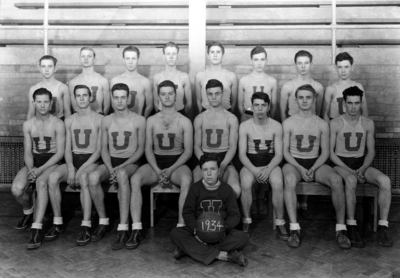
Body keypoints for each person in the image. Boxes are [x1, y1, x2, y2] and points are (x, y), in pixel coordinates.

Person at [282, 84, 350, 249]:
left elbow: (326, 152)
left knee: (336, 179)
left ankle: (341, 229)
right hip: (294, 162)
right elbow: (285, 152)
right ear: (296, 100)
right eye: (301, 97)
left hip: (316, 162)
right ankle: (294, 229)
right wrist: (300, 168)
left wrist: (312, 168)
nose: (305, 101)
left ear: (314, 100)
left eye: (308, 97)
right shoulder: (288, 122)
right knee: (290, 179)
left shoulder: (321, 124)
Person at [129, 80, 193, 249]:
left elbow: (188, 151)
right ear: (159, 96)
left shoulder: (184, 120)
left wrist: (170, 170)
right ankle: (136, 228)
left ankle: (182, 228)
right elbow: (148, 149)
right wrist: (158, 170)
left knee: (187, 180)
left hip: (176, 163)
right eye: (163, 94)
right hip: (155, 162)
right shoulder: (151, 120)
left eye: (170, 93)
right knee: (135, 179)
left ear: (175, 95)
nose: (167, 97)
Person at [330, 86, 392, 247]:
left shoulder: (368, 123)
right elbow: (331, 153)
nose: (353, 107)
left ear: (361, 103)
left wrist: (363, 169)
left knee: (385, 181)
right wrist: (351, 170)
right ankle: (351, 226)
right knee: (351, 180)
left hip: (360, 162)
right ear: (344, 103)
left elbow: (371, 151)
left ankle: (383, 228)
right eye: (349, 103)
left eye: (356, 103)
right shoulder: (335, 123)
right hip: (341, 163)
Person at [87, 83, 146, 249]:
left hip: (131, 162)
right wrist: (110, 167)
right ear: (112, 99)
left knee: (122, 175)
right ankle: (104, 221)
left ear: (128, 99)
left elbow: (141, 150)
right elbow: (103, 148)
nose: (119, 101)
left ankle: (123, 228)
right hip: (111, 162)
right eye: (116, 98)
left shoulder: (139, 120)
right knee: (93, 177)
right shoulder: (106, 120)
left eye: (123, 97)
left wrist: (122, 167)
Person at [46, 85, 103, 246]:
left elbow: (98, 151)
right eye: (78, 96)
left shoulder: (99, 119)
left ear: (90, 97)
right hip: (73, 159)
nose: (82, 98)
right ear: (74, 98)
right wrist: (71, 168)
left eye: (85, 95)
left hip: (92, 160)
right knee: (53, 177)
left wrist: (81, 169)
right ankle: (57, 223)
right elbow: (67, 148)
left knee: (84, 178)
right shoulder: (69, 120)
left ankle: (85, 225)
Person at [170, 153, 248, 267]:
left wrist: (224, 228)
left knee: (243, 238)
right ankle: (225, 256)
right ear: (201, 172)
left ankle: (189, 250)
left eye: (213, 169)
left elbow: (235, 215)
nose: (209, 173)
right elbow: (187, 212)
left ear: (219, 171)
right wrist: (196, 229)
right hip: (199, 232)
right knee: (175, 233)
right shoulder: (195, 188)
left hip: (221, 233)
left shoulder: (227, 189)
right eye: (205, 170)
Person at [11, 88, 65, 250]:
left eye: (46, 101)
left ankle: (36, 228)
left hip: (52, 162)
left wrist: (39, 171)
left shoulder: (58, 123)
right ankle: (29, 211)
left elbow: (60, 153)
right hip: (34, 162)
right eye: (39, 101)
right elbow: (27, 151)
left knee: (41, 183)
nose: (42, 105)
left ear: (51, 103)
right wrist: (31, 169)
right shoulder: (28, 124)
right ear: (34, 103)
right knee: (16, 189)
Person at [280, 50, 324, 216]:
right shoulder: (288, 86)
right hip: (292, 127)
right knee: (295, 161)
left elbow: (319, 111)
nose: (303, 66)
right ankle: (295, 202)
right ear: (295, 64)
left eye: (306, 63)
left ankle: (304, 200)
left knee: (309, 157)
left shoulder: (318, 87)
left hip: (311, 127)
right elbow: (282, 111)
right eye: (300, 63)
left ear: (311, 64)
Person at [239, 92, 286, 238]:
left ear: (268, 107)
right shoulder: (244, 126)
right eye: (256, 105)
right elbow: (241, 154)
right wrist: (254, 170)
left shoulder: (277, 126)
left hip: (269, 162)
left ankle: (280, 222)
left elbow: (279, 154)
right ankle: (246, 220)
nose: (260, 109)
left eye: (263, 105)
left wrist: (268, 169)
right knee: (246, 182)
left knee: (278, 182)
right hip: (251, 162)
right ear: (251, 107)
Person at [193, 79, 241, 198]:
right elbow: (196, 147)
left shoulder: (231, 118)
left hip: (225, 160)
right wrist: (206, 165)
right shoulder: (200, 118)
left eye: (217, 93)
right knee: (196, 190)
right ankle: (203, 216)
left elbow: (233, 147)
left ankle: (229, 215)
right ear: (206, 95)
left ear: (222, 94)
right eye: (210, 94)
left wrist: (222, 166)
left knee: (235, 189)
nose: (214, 97)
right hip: (204, 159)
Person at [323, 52, 368, 122]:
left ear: (352, 68)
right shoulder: (330, 89)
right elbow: (325, 114)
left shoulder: (358, 86)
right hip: (336, 128)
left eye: (346, 67)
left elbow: (365, 112)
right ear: (336, 68)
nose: (343, 71)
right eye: (340, 67)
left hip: (354, 127)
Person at [195, 41, 238, 113]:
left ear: (222, 55)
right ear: (208, 56)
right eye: (212, 52)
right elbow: (198, 101)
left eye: (218, 52)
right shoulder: (200, 76)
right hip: (206, 113)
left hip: (226, 113)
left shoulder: (231, 76)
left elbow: (234, 102)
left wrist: (229, 116)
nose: (215, 55)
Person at [110, 46, 153, 118]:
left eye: (133, 58)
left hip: (138, 123)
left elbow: (149, 106)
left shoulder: (145, 82)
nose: (130, 62)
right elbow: (113, 104)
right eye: (127, 58)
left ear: (138, 60)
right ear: (123, 60)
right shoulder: (114, 81)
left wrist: (142, 120)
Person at [238, 46, 278, 123]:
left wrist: (269, 117)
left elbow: (274, 105)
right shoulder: (243, 80)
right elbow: (240, 105)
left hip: (265, 117)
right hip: (248, 117)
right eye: (256, 60)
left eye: (262, 59)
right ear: (251, 61)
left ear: (266, 61)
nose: (259, 63)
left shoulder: (272, 81)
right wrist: (244, 116)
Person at [152, 42, 192, 117]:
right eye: (168, 54)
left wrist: (179, 116)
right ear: (164, 56)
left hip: (179, 113)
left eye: (174, 54)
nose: (171, 57)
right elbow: (155, 103)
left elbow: (189, 103)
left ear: (178, 56)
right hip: (162, 115)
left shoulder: (184, 77)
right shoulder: (157, 77)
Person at [27, 55, 71, 120]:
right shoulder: (33, 89)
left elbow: (67, 113)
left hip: (58, 125)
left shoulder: (63, 88)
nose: (46, 69)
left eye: (50, 66)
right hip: (40, 126)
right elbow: (31, 113)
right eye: (43, 66)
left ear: (55, 68)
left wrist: (67, 129)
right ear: (40, 69)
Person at [69, 47, 110, 115]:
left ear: (94, 59)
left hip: (98, 119)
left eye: (89, 56)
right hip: (81, 120)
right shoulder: (73, 83)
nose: (86, 59)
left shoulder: (103, 81)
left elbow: (107, 107)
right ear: (79, 59)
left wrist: (99, 120)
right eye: (83, 56)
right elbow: (75, 109)